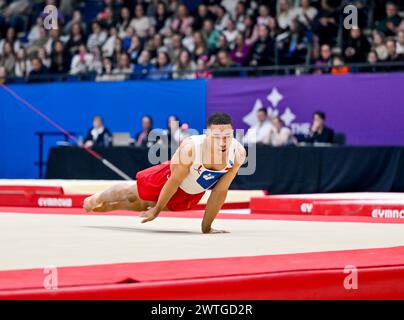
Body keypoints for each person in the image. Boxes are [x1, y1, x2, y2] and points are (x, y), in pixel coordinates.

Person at [83, 113, 246, 234]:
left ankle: (114, 206)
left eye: (227, 136)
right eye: (217, 137)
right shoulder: (191, 149)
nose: (223, 142)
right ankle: (98, 198)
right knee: (132, 192)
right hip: (168, 178)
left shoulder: (237, 153)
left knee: (141, 205)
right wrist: (157, 210)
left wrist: (207, 227)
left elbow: (219, 191)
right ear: (207, 135)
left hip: (192, 192)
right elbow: (173, 182)